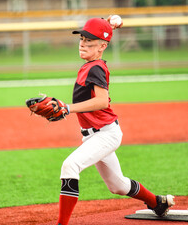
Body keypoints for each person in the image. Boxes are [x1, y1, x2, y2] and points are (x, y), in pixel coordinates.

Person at [51, 17, 175, 225]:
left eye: (89, 41)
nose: (83, 43)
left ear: (102, 46)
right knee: (117, 186)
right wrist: (107, 22)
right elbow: (102, 28)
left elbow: (100, 101)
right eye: (82, 39)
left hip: (105, 134)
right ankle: (157, 202)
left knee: (70, 165)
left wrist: (68, 108)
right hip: (95, 136)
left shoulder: (96, 68)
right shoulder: (90, 65)